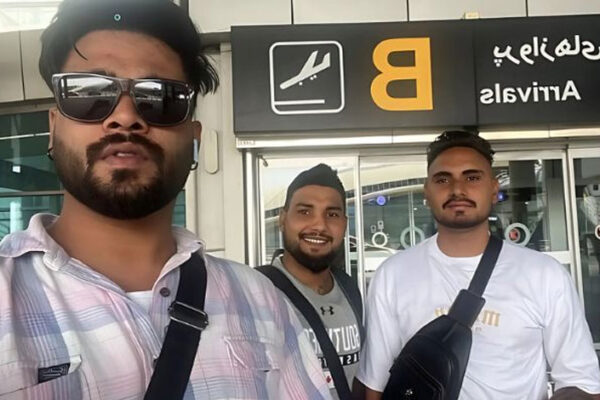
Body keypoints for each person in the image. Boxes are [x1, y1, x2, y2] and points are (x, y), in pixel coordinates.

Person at [0, 1, 331, 399]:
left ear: (195, 140)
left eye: (160, 97)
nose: (125, 117)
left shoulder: (262, 302)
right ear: (54, 128)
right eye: (90, 93)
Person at [356, 131, 600, 400]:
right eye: (443, 179)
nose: (457, 189)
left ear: (494, 190)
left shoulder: (544, 275)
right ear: (427, 192)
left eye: (472, 178)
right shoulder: (393, 275)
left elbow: (581, 382)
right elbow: (374, 384)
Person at [259, 164, 364, 400]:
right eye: (305, 212)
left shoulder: (349, 289)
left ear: (344, 224)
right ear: (283, 219)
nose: (319, 225)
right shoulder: (256, 292)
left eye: (332, 214)